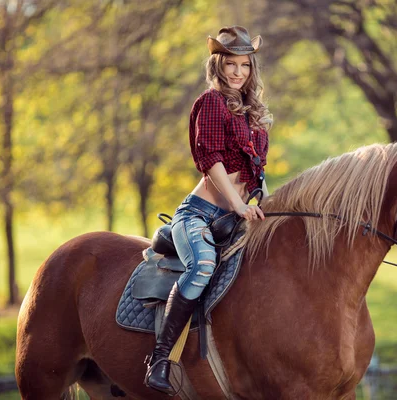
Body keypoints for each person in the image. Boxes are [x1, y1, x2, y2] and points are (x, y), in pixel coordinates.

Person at [144, 25, 273, 394]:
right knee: (202, 266)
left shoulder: (254, 115)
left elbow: (254, 173)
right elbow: (211, 161)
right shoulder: (211, 103)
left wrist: (259, 202)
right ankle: (160, 359)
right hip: (200, 213)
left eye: (244, 65)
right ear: (218, 65)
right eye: (230, 64)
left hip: (236, 217)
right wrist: (237, 205)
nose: (237, 72)